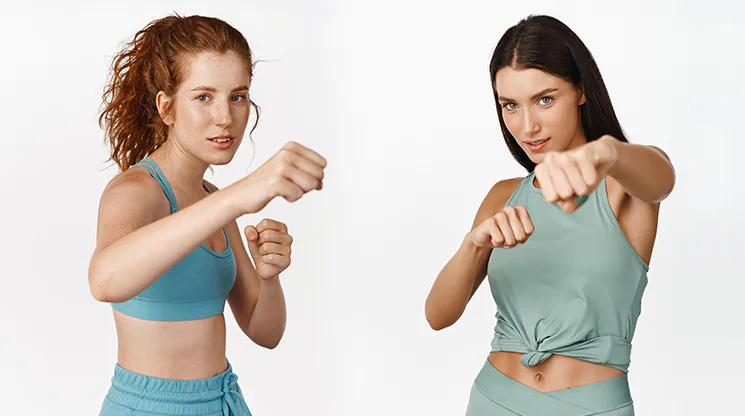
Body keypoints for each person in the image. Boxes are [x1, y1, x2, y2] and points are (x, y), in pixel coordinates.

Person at [425, 15, 675, 416]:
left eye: (545, 99)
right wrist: (474, 245)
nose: (528, 126)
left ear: (580, 90)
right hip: (494, 398)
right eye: (510, 105)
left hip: (591, 406)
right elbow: (438, 316)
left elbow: (662, 178)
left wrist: (605, 153)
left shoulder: (622, 183)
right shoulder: (504, 195)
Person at [90, 14, 326, 416]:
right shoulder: (137, 192)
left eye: (237, 96)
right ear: (167, 107)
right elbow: (105, 281)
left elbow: (265, 332)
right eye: (203, 97)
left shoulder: (213, 198)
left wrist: (268, 276)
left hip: (223, 401)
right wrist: (238, 196)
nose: (225, 117)